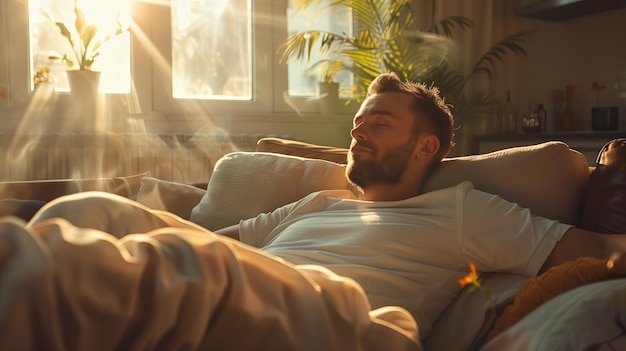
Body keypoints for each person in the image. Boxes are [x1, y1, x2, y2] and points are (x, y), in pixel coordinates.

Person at [1, 73, 625, 351]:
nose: (358, 136)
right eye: (357, 125)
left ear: (425, 146)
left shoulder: (464, 210)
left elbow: (594, 249)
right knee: (95, 210)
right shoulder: (321, 202)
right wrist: (135, 217)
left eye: (378, 125)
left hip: (356, 330)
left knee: (73, 271)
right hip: (257, 298)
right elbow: (217, 239)